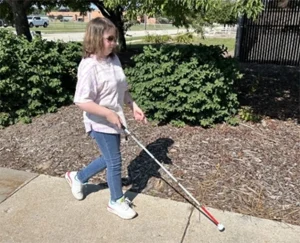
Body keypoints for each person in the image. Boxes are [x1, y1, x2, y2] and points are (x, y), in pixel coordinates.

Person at [65, 17, 147, 220]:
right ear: (95, 38)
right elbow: (81, 101)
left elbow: (121, 87)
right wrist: (108, 113)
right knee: (115, 161)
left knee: (109, 158)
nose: (114, 43)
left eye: (115, 38)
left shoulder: (113, 59)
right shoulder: (89, 67)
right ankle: (116, 201)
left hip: (114, 119)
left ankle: (77, 177)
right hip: (99, 121)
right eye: (110, 39)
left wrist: (133, 105)